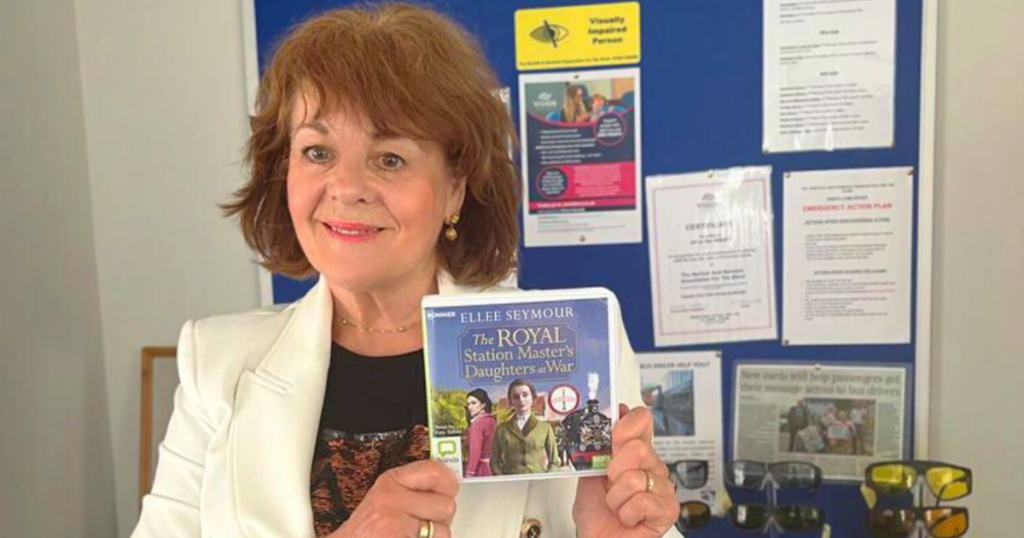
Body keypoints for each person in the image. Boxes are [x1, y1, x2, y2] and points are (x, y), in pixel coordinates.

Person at [131, 4, 680, 538]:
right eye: (317, 151)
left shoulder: (577, 345)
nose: (346, 187)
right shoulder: (217, 365)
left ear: (454, 189)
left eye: (389, 158)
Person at [491, 379, 559, 475]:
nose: (521, 400)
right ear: (511, 401)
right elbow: (494, 461)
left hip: (538, 483)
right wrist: (503, 480)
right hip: (511, 485)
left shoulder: (545, 428)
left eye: (525, 395)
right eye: (516, 397)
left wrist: (545, 480)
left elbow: (554, 462)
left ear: (533, 398)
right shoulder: (502, 429)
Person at [464, 389, 496, 477]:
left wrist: (470, 472)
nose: (470, 407)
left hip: (481, 469)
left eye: (474, 403)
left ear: (483, 404)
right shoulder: (492, 420)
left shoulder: (477, 423)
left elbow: (475, 451)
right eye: (468, 404)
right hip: (494, 467)